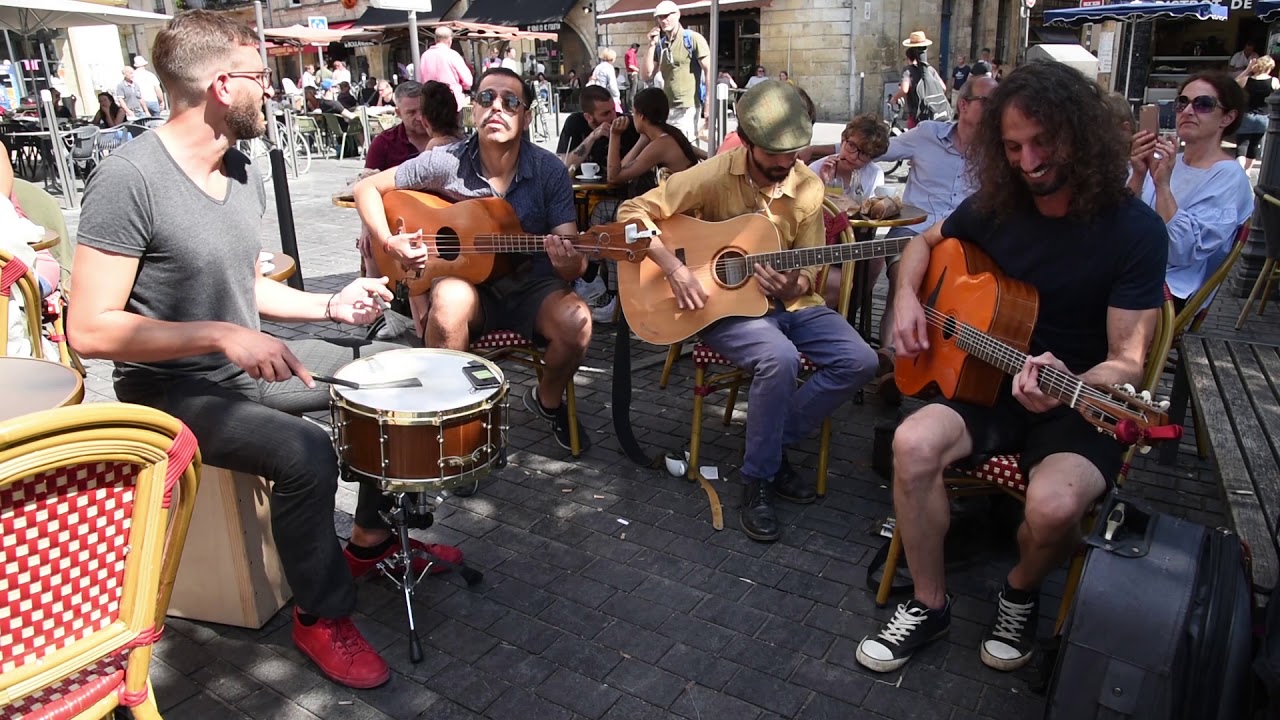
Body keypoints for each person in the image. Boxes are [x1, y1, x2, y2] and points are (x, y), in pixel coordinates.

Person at [67, 10, 465, 690]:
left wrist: (329, 306)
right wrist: (222, 334)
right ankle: (320, 617)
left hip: (246, 363)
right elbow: (89, 329)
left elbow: (247, 285)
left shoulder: (240, 168)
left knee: (391, 361)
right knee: (305, 451)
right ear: (223, 85)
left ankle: (368, 539)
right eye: (260, 76)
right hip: (171, 389)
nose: (272, 89)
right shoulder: (128, 179)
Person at [856, 60, 1169, 675]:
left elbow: (1128, 361)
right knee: (913, 442)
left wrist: (1076, 381)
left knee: (1054, 508)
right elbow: (922, 242)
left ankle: (1019, 591)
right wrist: (908, 300)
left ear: (1080, 134)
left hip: (1078, 398)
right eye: (1013, 147)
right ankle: (929, 601)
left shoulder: (1135, 230)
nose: (1028, 162)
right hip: (985, 386)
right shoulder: (1000, 205)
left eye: (1042, 143)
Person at [617, 80, 878, 543]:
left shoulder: (808, 187)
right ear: (748, 141)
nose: (784, 165)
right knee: (778, 358)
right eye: (773, 156)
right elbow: (631, 212)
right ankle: (758, 479)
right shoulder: (714, 174)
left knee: (862, 361)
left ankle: (767, 446)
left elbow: (812, 272)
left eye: (793, 154)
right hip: (724, 308)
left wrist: (795, 281)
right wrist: (673, 268)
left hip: (792, 305)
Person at [353, 68, 592, 451]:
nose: (496, 107)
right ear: (473, 110)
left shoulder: (549, 170)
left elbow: (573, 261)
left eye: (510, 101)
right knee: (447, 301)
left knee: (576, 322)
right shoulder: (446, 161)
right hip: (468, 287)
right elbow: (366, 188)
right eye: (486, 99)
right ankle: (456, 423)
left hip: (533, 284)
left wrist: (568, 260)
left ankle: (547, 401)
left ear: (526, 116)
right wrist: (388, 240)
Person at [871, 75, 997, 402]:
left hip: (964, 246)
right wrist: (824, 150)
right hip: (914, 232)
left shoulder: (997, 153)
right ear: (964, 105)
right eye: (989, 101)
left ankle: (925, 367)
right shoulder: (927, 135)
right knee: (904, 283)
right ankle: (892, 361)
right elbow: (879, 150)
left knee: (955, 299)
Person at [1129, 71, 1253, 312]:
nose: (1187, 111)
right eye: (1182, 103)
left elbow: (1181, 251)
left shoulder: (1228, 177)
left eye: (1203, 104)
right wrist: (1138, 174)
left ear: (1227, 118)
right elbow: (1119, 222)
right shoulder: (1167, 161)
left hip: (1167, 292)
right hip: (1132, 271)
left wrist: (1162, 187)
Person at [809, 114, 890, 308]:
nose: (854, 156)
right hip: (821, 243)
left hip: (855, 239)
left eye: (863, 154)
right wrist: (823, 184)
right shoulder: (818, 168)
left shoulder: (873, 173)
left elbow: (869, 211)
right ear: (843, 140)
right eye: (851, 146)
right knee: (839, 275)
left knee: (877, 259)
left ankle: (852, 309)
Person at [642, 0, 710, 142]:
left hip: (688, 107)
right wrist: (651, 45)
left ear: (678, 15)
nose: (663, 20)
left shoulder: (692, 39)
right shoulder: (661, 45)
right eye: (660, 17)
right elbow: (646, 75)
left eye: (667, 15)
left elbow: (709, 70)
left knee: (684, 148)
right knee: (671, 149)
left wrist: (709, 104)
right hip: (666, 108)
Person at [558, 84, 640, 175]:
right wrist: (592, 137)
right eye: (606, 114)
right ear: (588, 117)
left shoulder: (627, 123)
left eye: (613, 109)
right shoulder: (575, 122)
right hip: (582, 187)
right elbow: (565, 166)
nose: (614, 116)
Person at [891, 31, 943, 128]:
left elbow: (904, 90)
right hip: (933, 114)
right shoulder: (930, 69)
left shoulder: (908, 71)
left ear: (908, 58)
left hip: (917, 116)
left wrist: (894, 98)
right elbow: (942, 87)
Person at [1234, 56, 1278, 171]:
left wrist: (1248, 69)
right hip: (1264, 116)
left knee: (1242, 144)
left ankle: (1240, 168)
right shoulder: (1273, 81)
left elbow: (1234, 84)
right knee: (1254, 145)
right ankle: (1247, 171)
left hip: (1247, 115)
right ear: (1270, 68)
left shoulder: (1247, 80)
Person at [418, 26, 473, 112]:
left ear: (436, 39)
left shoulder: (425, 56)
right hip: (452, 102)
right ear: (449, 40)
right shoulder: (453, 55)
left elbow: (420, 80)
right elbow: (468, 81)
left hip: (430, 102)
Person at [625, 43, 640, 108]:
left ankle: (631, 107)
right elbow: (630, 65)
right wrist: (638, 70)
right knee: (633, 92)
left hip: (630, 74)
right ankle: (632, 108)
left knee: (632, 91)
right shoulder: (631, 53)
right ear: (636, 48)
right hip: (633, 74)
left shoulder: (628, 53)